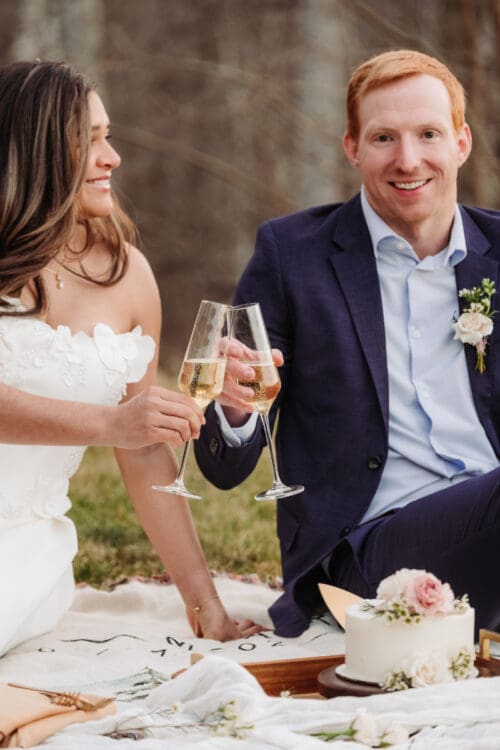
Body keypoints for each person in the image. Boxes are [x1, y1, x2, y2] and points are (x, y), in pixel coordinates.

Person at [195, 49, 500, 637]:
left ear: (461, 143)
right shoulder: (293, 255)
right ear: (353, 148)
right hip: (365, 554)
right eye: (384, 137)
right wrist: (234, 407)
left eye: (428, 134)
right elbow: (225, 468)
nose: (408, 159)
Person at [0, 60, 260, 656]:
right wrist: (108, 423)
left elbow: (143, 448)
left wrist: (205, 606)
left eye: (107, 136)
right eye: (88, 141)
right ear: (33, 153)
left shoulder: (128, 274)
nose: (111, 156)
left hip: (25, 553)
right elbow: (119, 425)